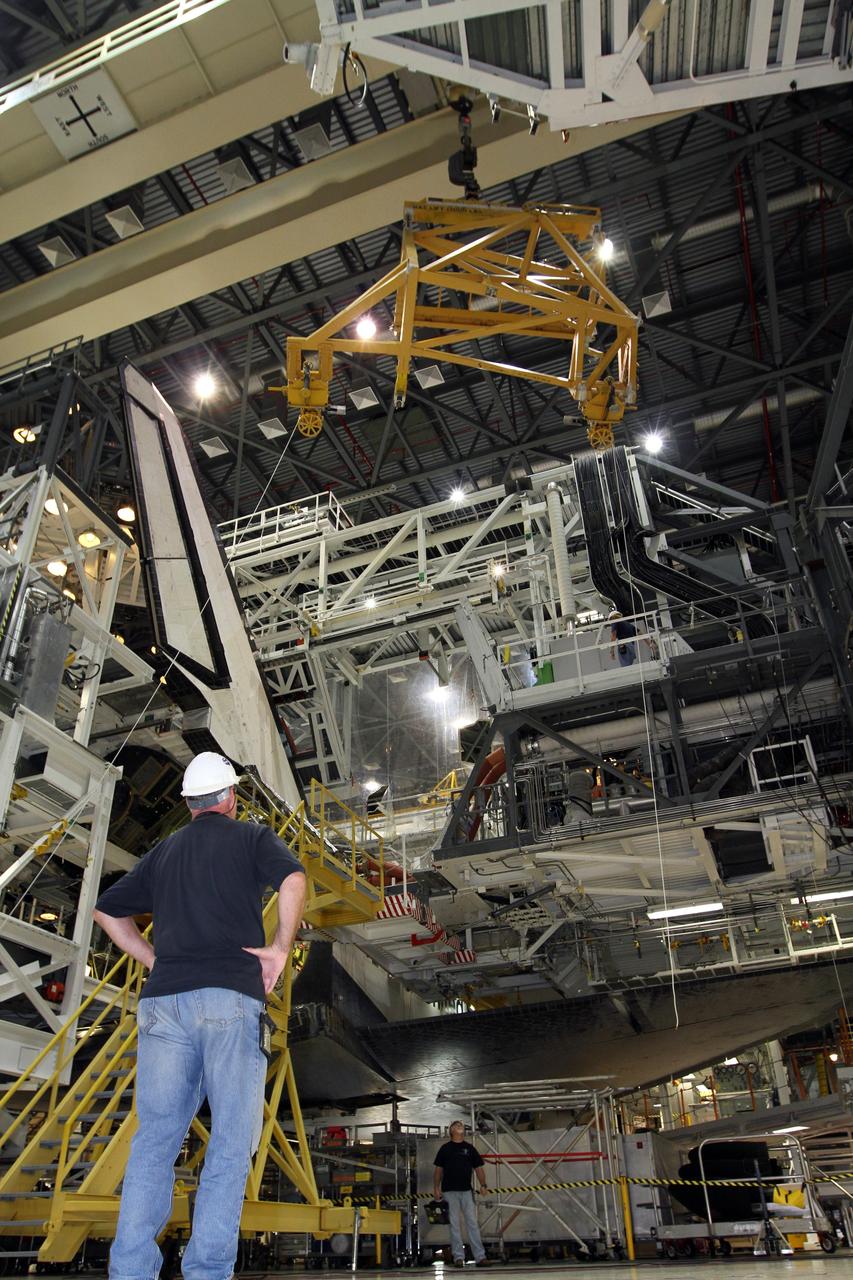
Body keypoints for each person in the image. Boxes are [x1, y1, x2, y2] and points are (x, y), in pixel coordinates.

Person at [93, 751, 306, 1280]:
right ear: (231, 797)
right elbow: (295, 881)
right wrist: (280, 948)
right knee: (232, 1142)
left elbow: (106, 911)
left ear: (189, 803)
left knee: (154, 1142)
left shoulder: (163, 852)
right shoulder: (252, 837)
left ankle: (131, 1271)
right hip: (229, 1000)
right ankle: (207, 1271)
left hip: (163, 1005)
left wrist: (155, 960)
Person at [433, 1121, 490, 1268]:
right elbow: (438, 1169)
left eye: (461, 1125)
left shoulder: (469, 1148)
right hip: (449, 1192)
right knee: (454, 1224)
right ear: (451, 1130)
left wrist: (483, 1185)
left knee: (472, 1223)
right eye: (456, 1125)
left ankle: (480, 1257)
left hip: (466, 1191)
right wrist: (436, 1188)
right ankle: (458, 1257)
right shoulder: (445, 1149)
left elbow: (478, 1168)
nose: (460, 1125)